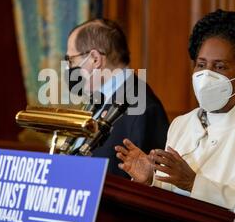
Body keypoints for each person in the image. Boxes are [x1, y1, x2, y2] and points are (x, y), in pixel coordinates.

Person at [115, 10, 235, 222]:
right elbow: (173, 203)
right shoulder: (181, 125)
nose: (206, 75)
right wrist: (152, 180)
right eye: (201, 65)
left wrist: (194, 183)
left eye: (220, 67)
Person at [64, 18, 169, 178]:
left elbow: (147, 186)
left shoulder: (143, 109)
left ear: (95, 59)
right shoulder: (98, 100)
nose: (69, 68)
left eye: (71, 60)